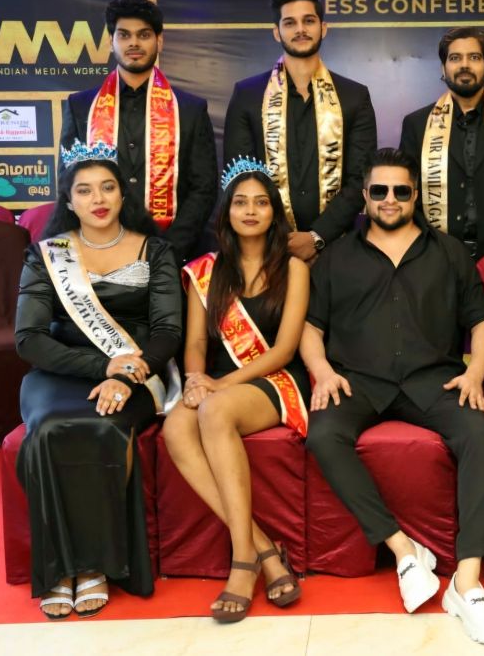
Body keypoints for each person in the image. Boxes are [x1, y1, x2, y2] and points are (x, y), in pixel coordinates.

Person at [300, 148, 484, 644]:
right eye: (379, 190)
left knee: (478, 434)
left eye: (401, 190)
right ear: (365, 196)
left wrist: (475, 373)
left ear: (416, 195)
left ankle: (467, 582)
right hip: (358, 382)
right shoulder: (336, 257)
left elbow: (482, 321)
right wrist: (323, 372)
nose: (390, 199)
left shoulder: (450, 252)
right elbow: (312, 329)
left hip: (433, 381)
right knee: (323, 436)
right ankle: (403, 550)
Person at [14, 140, 184, 620]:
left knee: (102, 425)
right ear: (69, 201)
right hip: (59, 371)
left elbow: (168, 332)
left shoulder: (156, 250)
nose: (98, 199)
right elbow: (29, 339)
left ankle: (93, 565)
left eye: (107, 187)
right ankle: (58, 568)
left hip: (138, 371)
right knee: (49, 429)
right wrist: (102, 368)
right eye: (84, 190)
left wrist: (127, 376)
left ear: (123, 194)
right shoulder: (47, 256)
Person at [161, 158, 311, 623]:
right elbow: (195, 343)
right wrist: (193, 381)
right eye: (240, 202)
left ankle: (242, 561)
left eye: (261, 203)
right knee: (175, 428)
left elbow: (285, 349)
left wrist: (217, 385)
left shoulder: (294, 268)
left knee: (214, 411)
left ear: (274, 213)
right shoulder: (205, 271)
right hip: (217, 383)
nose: (250, 211)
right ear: (226, 211)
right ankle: (265, 548)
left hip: (274, 380)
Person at [60, 0, 219, 265]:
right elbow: (68, 181)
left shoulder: (190, 109)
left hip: (173, 255)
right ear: (111, 42)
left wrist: (168, 251)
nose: (133, 43)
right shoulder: (81, 106)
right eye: (124, 35)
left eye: (144, 35)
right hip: (99, 255)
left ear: (159, 41)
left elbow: (203, 188)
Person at [223, 0, 378, 261]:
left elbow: (361, 179)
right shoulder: (247, 95)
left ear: (323, 28)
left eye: (309, 21)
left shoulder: (354, 96)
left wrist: (317, 236)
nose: (300, 30)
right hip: (267, 249)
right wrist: (278, 238)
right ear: (277, 32)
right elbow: (241, 178)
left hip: (338, 249)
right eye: (290, 23)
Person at [399, 27, 484, 262]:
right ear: (443, 68)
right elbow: (410, 199)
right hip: (434, 260)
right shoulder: (417, 124)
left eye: (474, 57)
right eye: (455, 58)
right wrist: (434, 254)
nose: (464, 65)